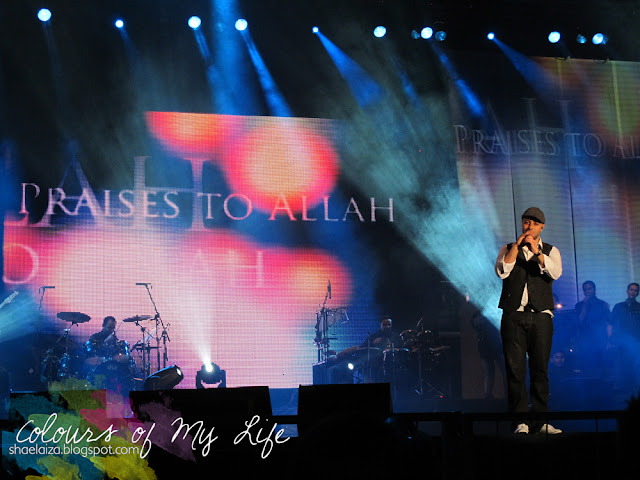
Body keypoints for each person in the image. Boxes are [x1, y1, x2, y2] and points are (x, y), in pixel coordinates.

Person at [495, 207, 563, 434]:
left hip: (541, 316)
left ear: (542, 227)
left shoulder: (551, 251)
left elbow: (555, 273)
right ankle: (520, 421)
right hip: (513, 316)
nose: (529, 227)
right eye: (526, 222)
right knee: (515, 370)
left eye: (534, 223)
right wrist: (517, 247)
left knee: (540, 370)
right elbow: (502, 271)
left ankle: (541, 421)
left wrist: (537, 252)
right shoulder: (508, 248)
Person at [573, 281, 611, 376]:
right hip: (585, 340)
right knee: (587, 366)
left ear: (594, 290)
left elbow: (609, 323)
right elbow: (579, 321)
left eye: (589, 289)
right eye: (585, 290)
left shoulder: (602, 304)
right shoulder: (579, 305)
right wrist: (585, 305)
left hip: (600, 339)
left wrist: (609, 340)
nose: (587, 291)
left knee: (601, 366)